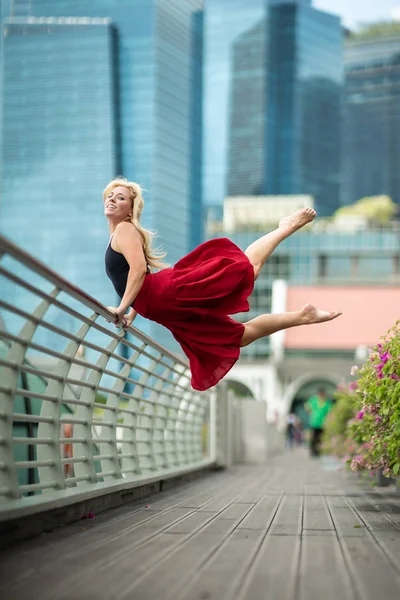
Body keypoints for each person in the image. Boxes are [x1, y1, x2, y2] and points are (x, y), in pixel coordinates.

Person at [104, 177, 341, 391]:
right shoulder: (118, 234)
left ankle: (285, 227)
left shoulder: (125, 229)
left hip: (170, 295)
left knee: (247, 270)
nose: (113, 199)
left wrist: (122, 308)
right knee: (238, 337)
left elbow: (137, 271)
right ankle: (303, 316)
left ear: (129, 211)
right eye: (111, 196)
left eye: (121, 197)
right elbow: (140, 278)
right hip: (166, 310)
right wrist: (133, 312)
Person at [305, 389, 332, 457]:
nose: (321, 395)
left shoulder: (327, 402)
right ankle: (312, 451)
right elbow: (307, 407)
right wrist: (311, 413)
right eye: (320, 394)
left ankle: (318, 452)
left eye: (323, 394)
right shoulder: (314, 400)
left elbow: (330, 411)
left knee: (320, 439)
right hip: (314, 423)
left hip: (323, 423)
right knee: (313, 438)